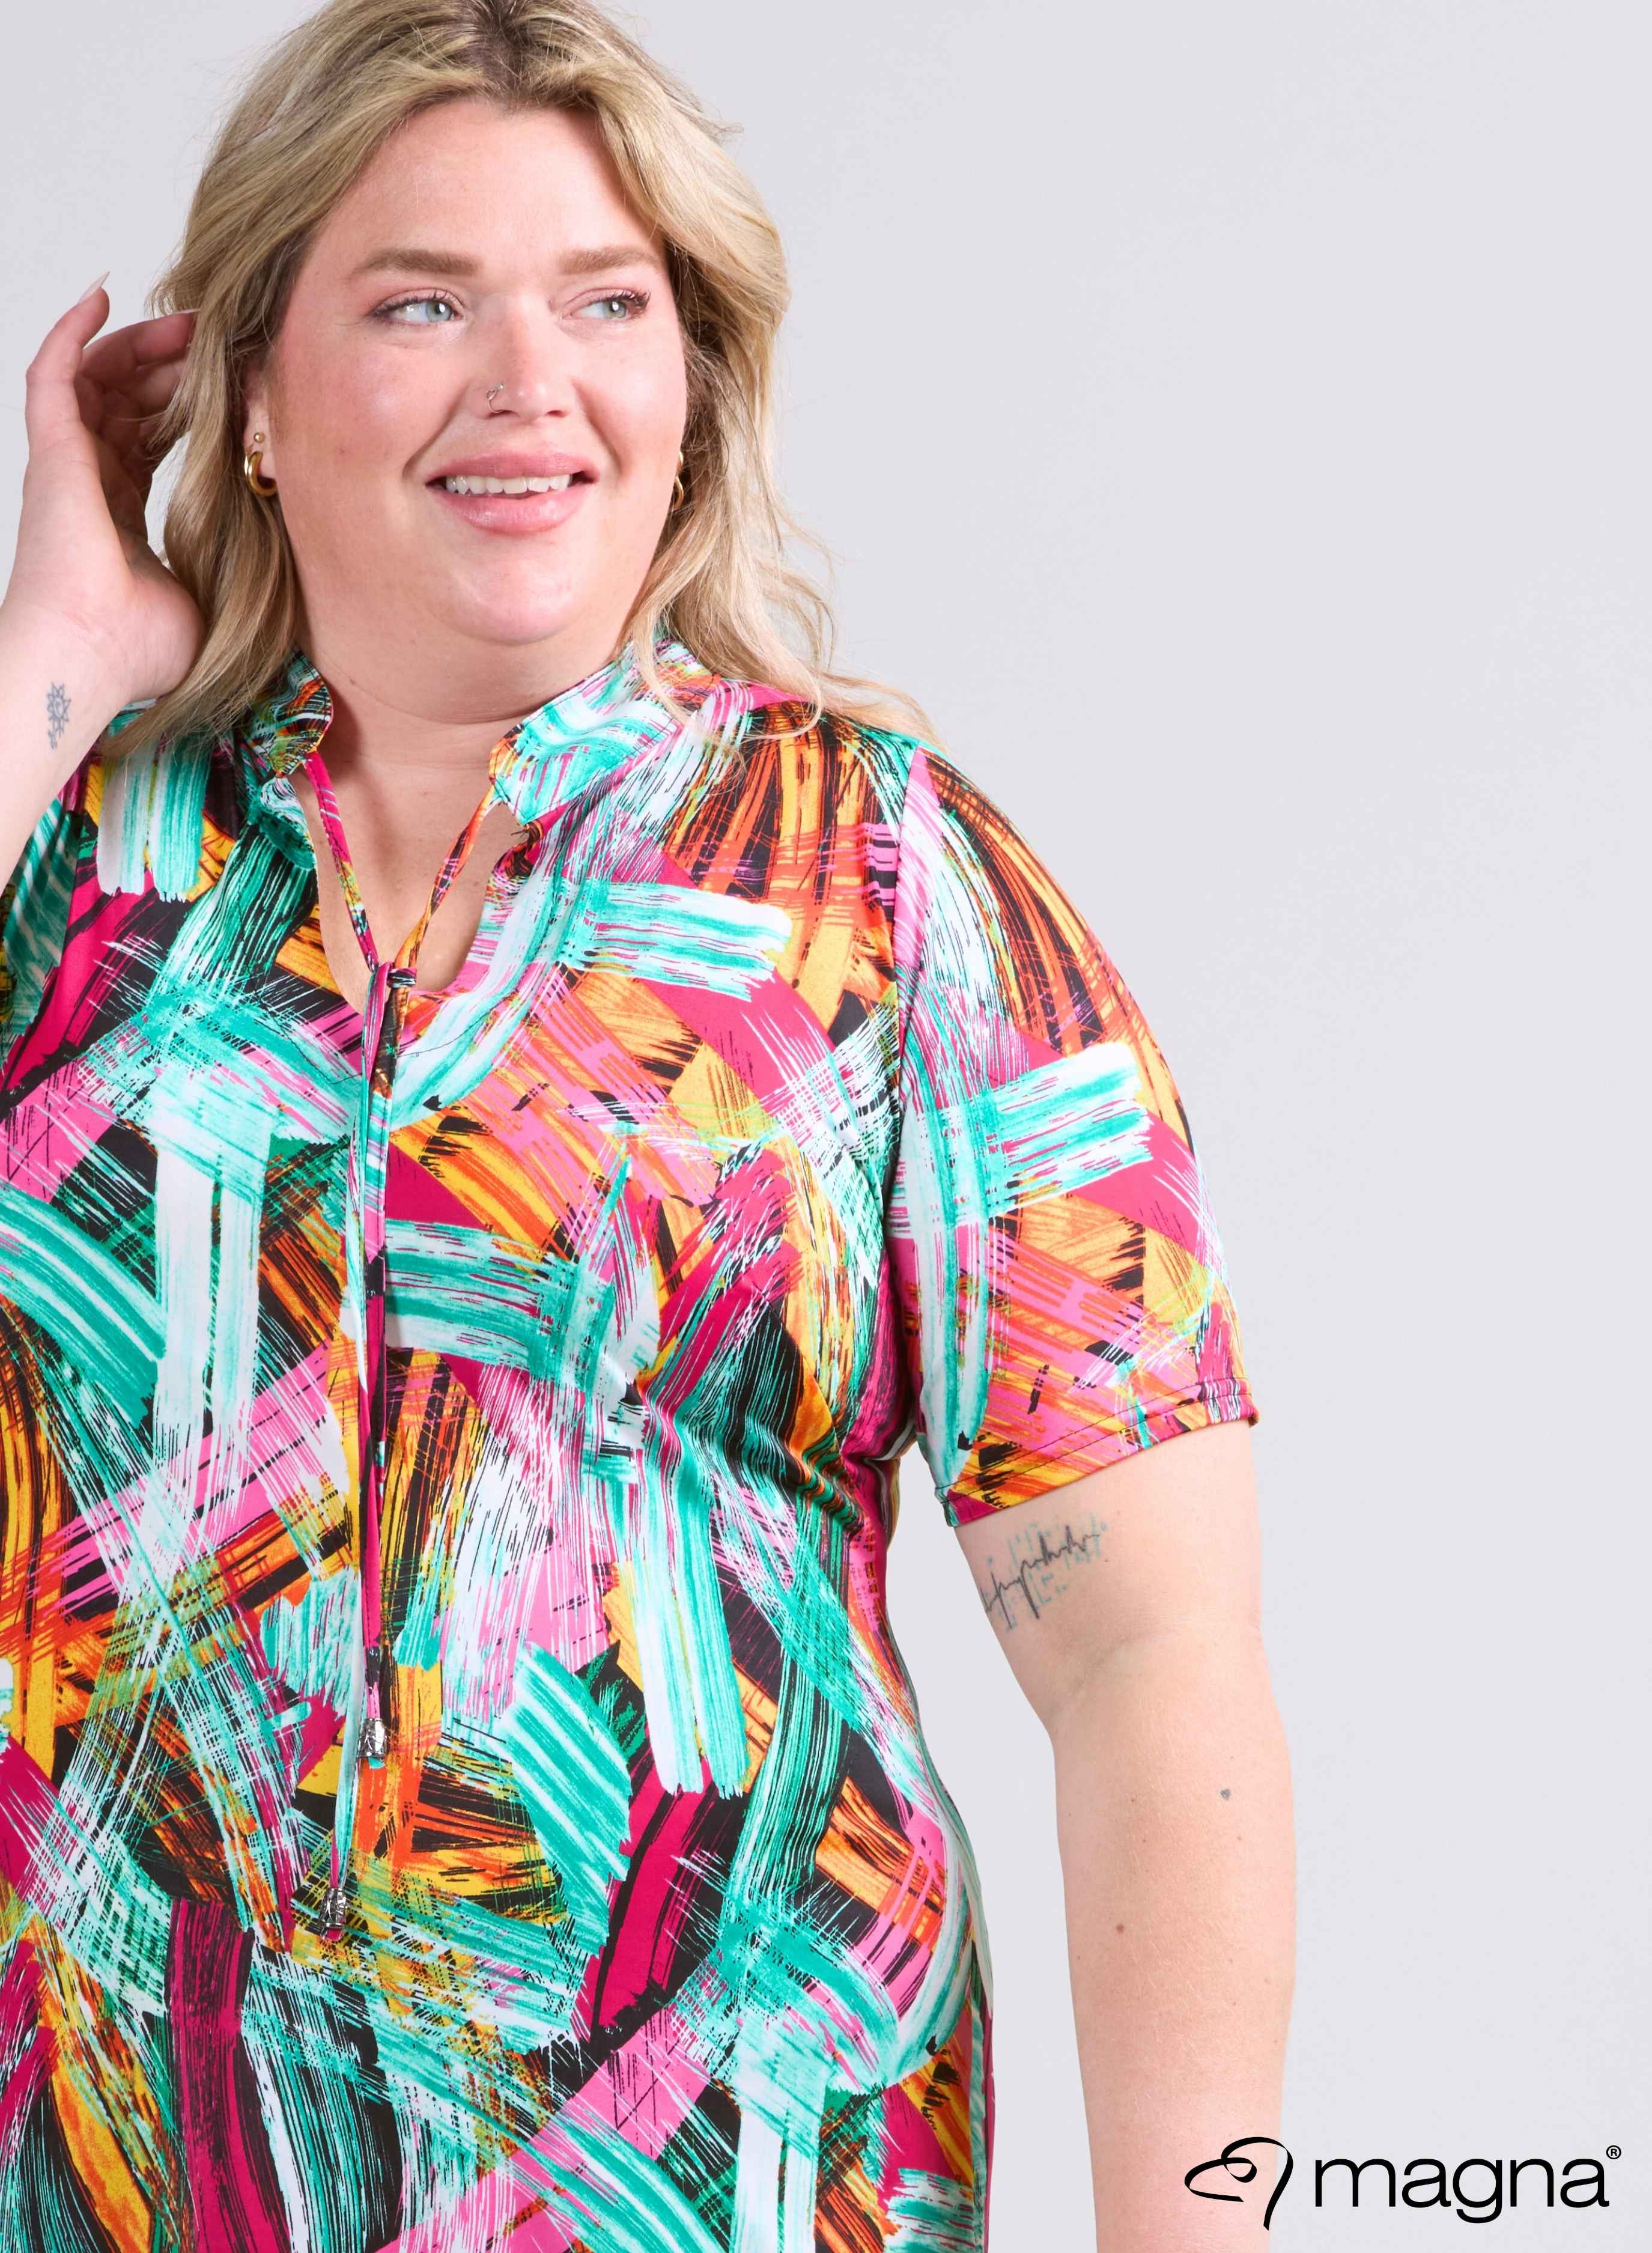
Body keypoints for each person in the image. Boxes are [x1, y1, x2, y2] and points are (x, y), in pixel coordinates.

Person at [0, 2, 1293, 2246]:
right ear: (256, 401)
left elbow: (1148, 1665)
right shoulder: (67, 876)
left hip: (739, 2190)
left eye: (608, 303)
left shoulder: (882, 887)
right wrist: (49, 668)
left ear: (690, 387)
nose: (534, 382)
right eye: (422, 305)